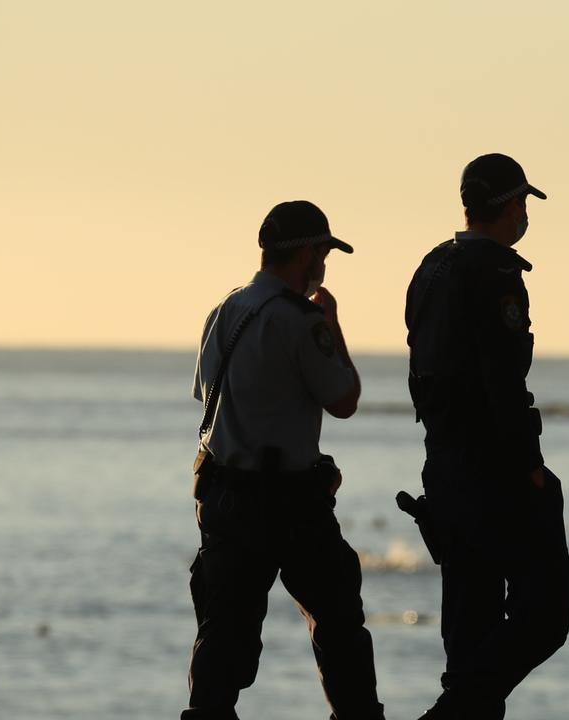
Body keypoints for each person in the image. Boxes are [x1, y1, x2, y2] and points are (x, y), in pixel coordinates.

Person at [183, 200, 384, 720]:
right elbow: (343, 399)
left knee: (223, 634)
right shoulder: (300, 321)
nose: (325, 265)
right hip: (287, 504)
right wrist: (332, 325)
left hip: (225, 497)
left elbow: (205, 391)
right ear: (308, 254)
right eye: (324, 253)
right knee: (339, 624)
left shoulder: (225, 310)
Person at [403, 154, 569, 720]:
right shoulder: (496, 273)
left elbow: (423, 372)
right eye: (523, 202)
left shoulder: (430, 268)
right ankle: (450, 711)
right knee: (545, 614)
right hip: (491, 471)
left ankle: (461, 704)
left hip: (444, 465)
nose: (526, 214)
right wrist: (530, 465)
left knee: (471, 628)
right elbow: (502, 380)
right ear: (509, 207)